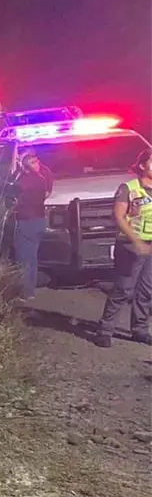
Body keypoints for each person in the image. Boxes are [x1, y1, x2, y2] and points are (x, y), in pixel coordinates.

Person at [96, 149, 152, 348]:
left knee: (146, 290)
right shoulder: (129, 188)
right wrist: (136, 241)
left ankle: (140, 330)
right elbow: (118, 217)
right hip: (130, 246)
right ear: (142, 165)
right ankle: (105, 330)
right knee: (123, 289)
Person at [7, 151, 54, 300]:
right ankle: (31, 290)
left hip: (26, 222)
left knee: (24, 260)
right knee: (32, 258)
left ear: (23, 167)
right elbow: (46, 194)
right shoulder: (42, 179)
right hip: (40, 221)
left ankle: (25, 293)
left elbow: (12, 195)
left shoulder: (22, 181)